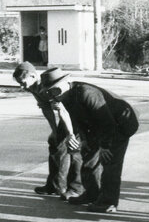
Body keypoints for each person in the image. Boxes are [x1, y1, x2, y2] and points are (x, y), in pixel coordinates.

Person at [41, 67, 139, 213]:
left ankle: (108, 202)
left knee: (109, 161)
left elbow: (107, 121)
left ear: (67, 82)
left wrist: (105, 146)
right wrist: (85, 140)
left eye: (54, 90)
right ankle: (92, 194)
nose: (52, 95)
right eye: (49, 92)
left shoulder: (86, 93)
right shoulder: (65, 96)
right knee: (88, 155)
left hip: (121, 123)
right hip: (98, 125)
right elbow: (77, 119)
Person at [13, 62, 83, 199]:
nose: (22, 87)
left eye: (23, 83)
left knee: (73, 149)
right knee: (54, 143)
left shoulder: (48, 85)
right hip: (65, 115)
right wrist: (54, 131)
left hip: (75, 115)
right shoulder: (33, 88)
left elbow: (62, 111)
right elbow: (46, 109)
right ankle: (54, 184)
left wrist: (69, 134)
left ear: (33, 76)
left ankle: (75, 188)